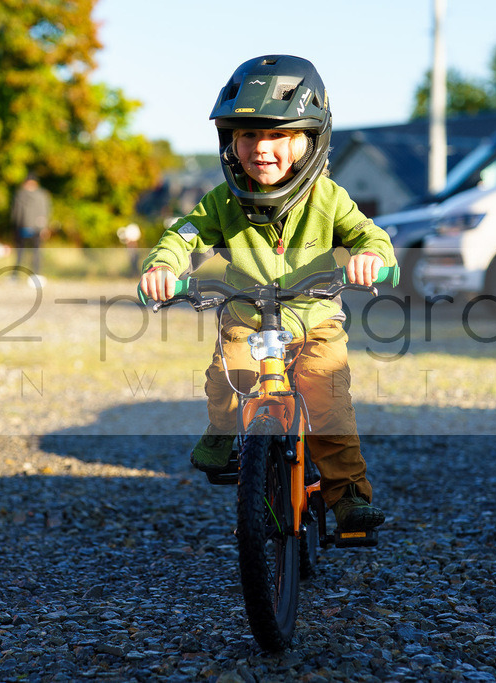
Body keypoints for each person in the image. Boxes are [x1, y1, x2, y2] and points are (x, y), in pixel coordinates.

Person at [139, 55, 396, 532]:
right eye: (248, 135)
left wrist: (372, 259)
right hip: (247, 315)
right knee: (228, 377)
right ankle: (224, 430)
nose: (261, 148)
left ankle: (348, 499)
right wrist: (163, 266)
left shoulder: (329, 197)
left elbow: (369, 236)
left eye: (278, 135)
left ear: (309, 142)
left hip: (315, 318)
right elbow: (185, 235)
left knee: (328, 400)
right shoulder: (223, 200)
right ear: (230, 143)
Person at [10, 173, 51, 280]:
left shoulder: (41, 195)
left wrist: (43, 227)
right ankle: (16, 275)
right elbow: (16, 212)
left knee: (36, 253)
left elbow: (44, 211)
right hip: (22, 227)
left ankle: (36, 274)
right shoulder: (20, 195)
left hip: (36, 228)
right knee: (20, 253)